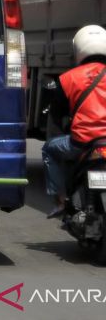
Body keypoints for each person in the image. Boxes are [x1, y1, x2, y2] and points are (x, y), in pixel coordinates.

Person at [43, 24, 106, 218]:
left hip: (82, 143)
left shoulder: (67, 78)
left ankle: (61, 200)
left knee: (49, 150)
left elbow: (57, 114)